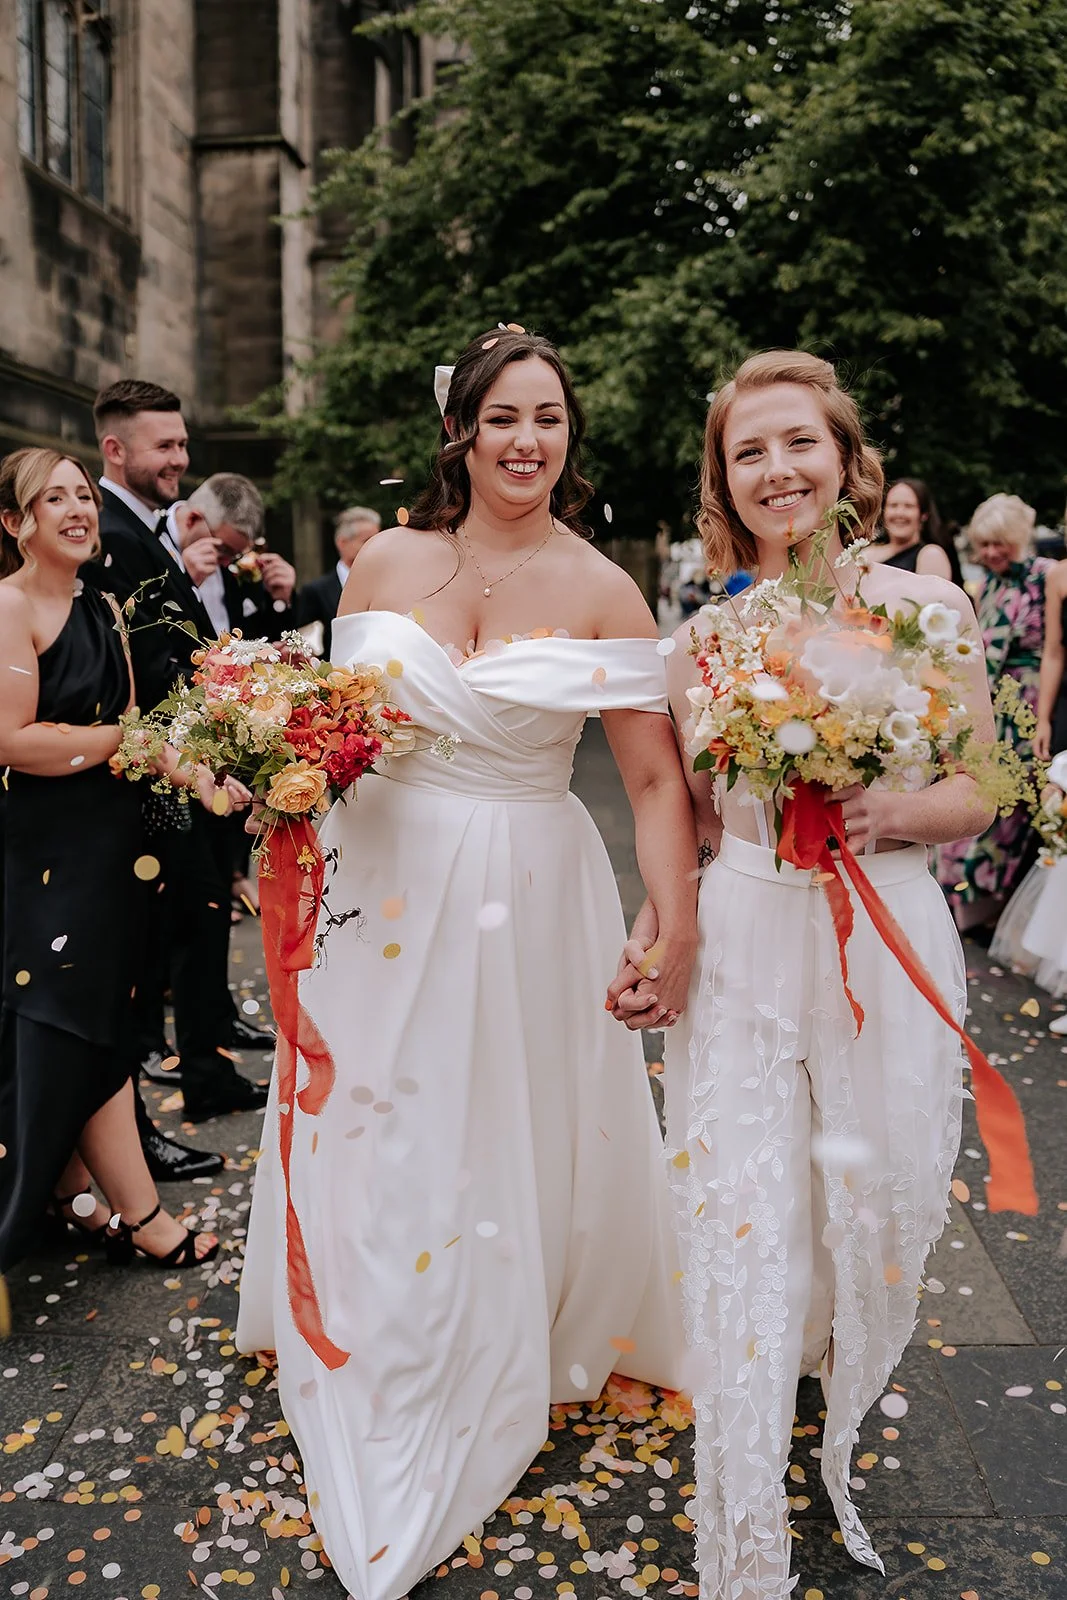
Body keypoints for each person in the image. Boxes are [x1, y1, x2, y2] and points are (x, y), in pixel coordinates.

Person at [236, 327, 696, 1600]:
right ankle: (372, 1316)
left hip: (523, 881)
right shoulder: (387, 560)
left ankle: (493, 1313)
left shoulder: (603, 587)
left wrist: (677, 923)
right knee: (376, 1104)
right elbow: (329, 735)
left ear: (569, 437)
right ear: (462, 430)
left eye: (547, 418)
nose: (526, 441)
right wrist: (268, 799)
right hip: (371, 876)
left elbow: (653, 778)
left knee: (492, 1107)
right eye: (503, 417)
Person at [608, 351, 995, 1600]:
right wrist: (656, 933)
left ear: (843, 457)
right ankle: (739, 1531)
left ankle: (831, 1375)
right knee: (742, 1220)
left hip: (882, 936)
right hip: (747, 938)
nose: (776, 470)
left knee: (873, 1208)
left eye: (797, 444)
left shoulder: (926, 615)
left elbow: (982, 785)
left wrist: (890, 807)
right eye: (747, 452)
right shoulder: (702, 641)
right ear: (723, 481)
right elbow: (696, 822)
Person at [0, 447, 219, 1271]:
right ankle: (144, 1217)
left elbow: (138, 732)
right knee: (73, 1025)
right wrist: (124, 741)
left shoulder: (107, 607)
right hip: (45, 852)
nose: (76, 509)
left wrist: (206, 775)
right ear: (15, 524)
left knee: (105, 1022)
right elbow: (12, 740)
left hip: (116, 845)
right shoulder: (9, 608)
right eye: (51, 499)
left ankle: (75, 1195)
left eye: (83, 494)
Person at [91, 381, 267, 1136]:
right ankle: (145, 1113)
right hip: (148, 772)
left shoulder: (151, 527)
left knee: (192, 919)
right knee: (159, 937)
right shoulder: (106, 533)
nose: (180, 459)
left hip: (184, 764)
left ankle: (203, 1070)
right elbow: (136, 664)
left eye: (182, 443)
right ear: (115, 448)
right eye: (164, 445)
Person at [937, 494, 1054, 933]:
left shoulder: (1045, 577)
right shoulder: (987, 585)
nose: (990, 553)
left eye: (998, 544)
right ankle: (963, 896)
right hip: (989, 703)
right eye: (983, 545)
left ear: (1017, 539)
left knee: (1012, 807)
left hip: (1027, 702)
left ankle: (992, 902)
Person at [296, 505, 382, 659]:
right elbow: (307, 647)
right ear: (342, 543)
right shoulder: (316, 591)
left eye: (377, 540)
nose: (375, 547)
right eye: (367, 541)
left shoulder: (385, 585)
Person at [868, 477, 962, 584]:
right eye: (893, 505)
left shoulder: (931, 555)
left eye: (909, 506)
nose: (899, 513)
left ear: (924, 515)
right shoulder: (867, 552)